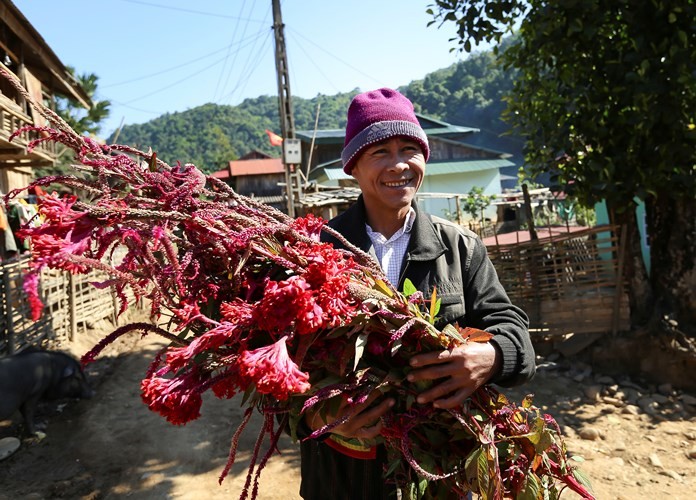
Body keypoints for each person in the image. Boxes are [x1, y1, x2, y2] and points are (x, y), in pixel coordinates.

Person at [299, 88, 536, 499]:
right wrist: (317, 413)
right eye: (380, 152)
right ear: (352, 167)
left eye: (410, 148)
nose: (399, 164)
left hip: (438, 477)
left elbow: (517, 335)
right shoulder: (315, 252)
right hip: (340, 478)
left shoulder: (462, 248)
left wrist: (493, 357)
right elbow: (274, 367)